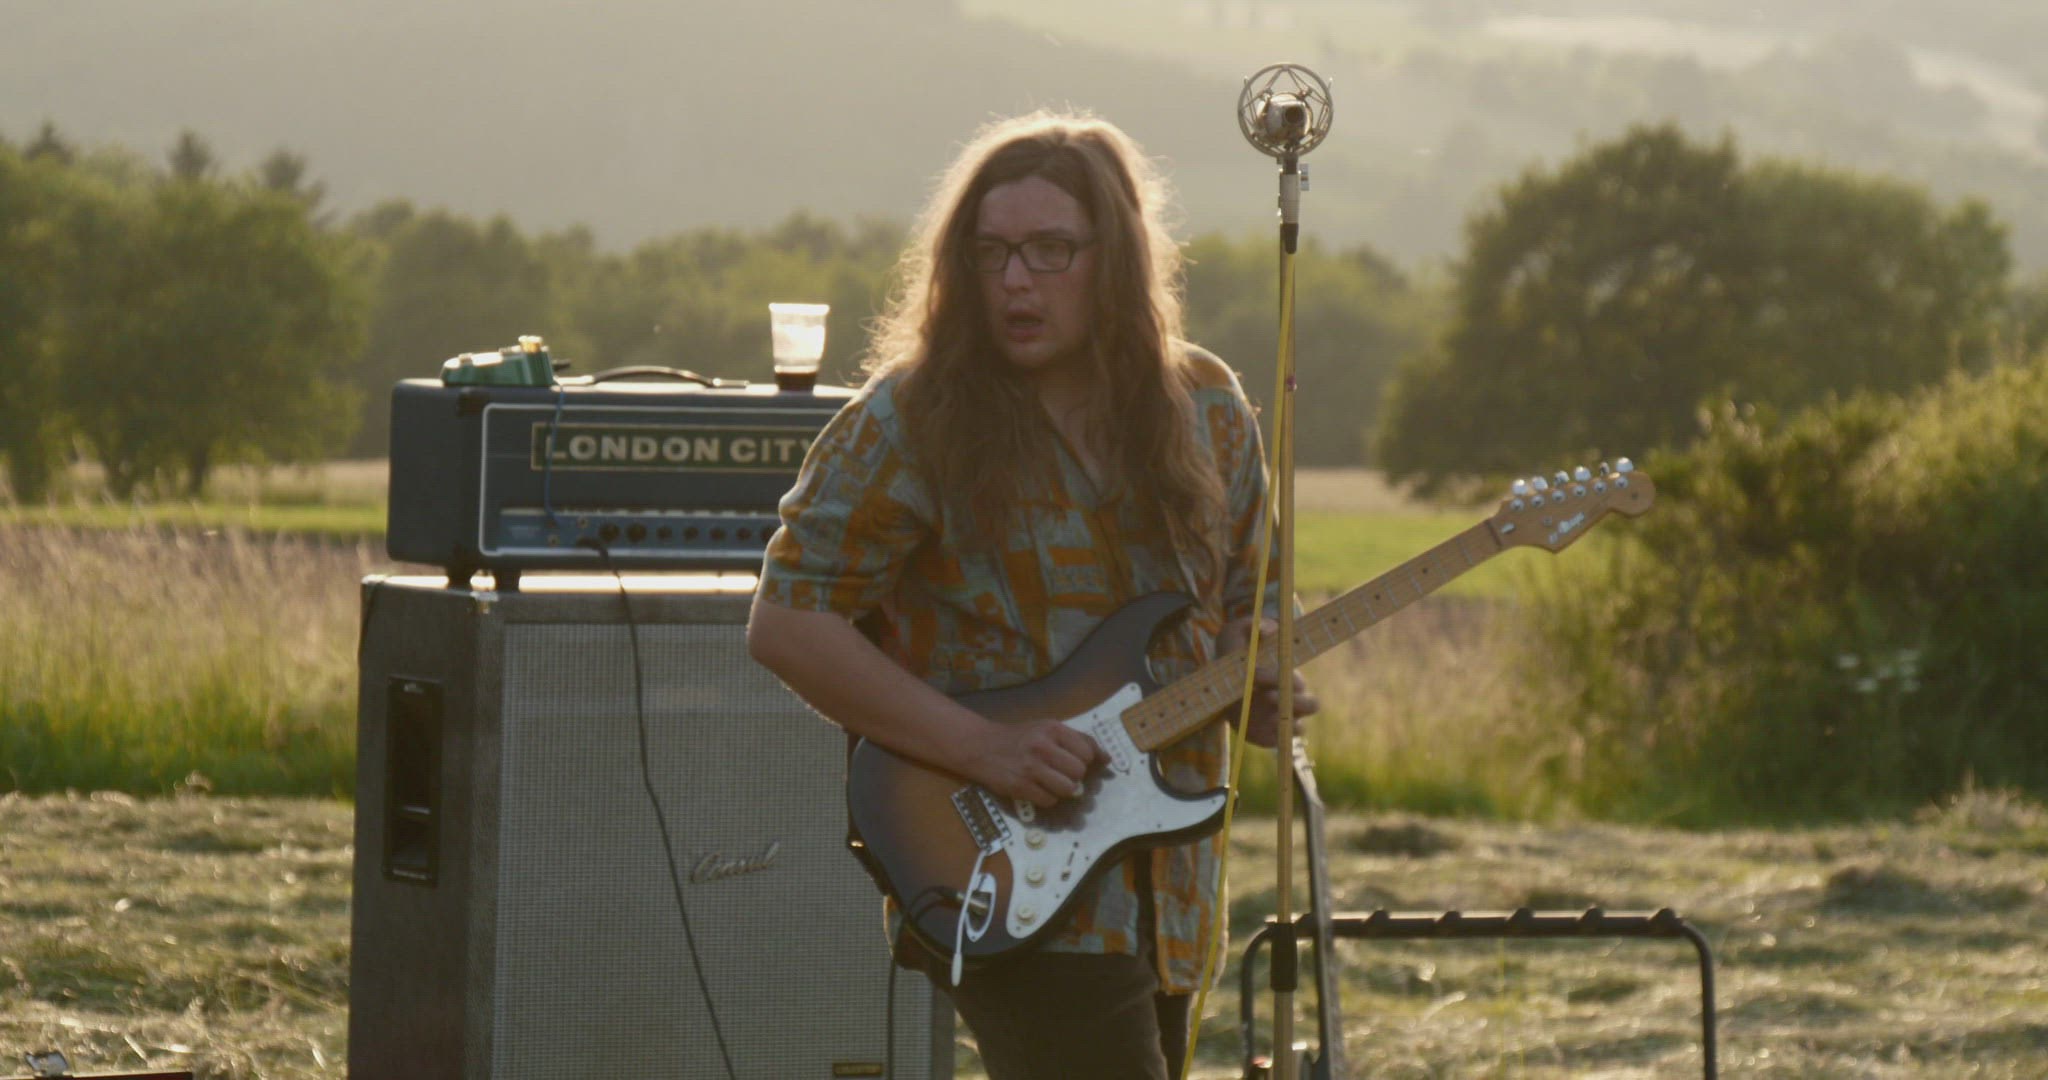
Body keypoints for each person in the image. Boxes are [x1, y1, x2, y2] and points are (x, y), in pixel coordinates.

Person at [747, 110, 1317, 1080]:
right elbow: (787, 623)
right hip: (1001, 867)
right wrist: (986, 748)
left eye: (1050, 250)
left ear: (1116, 259)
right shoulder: (908, 419)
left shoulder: (1209, 408)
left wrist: (1253, 673)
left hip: (1171, 887)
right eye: (991, 253)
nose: (1015, 279)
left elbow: (1247, 595)